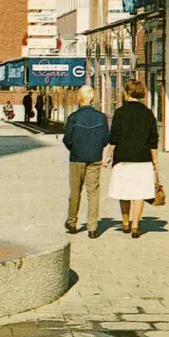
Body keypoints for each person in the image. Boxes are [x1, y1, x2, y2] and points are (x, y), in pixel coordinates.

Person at [102, 78, 159, 239]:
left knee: (123, 191)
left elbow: (115, 137)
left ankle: (125, 222)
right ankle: (136, 226)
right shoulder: (148, 113)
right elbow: (153, 139)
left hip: (123, 158)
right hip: (143, 158)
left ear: (127, 93)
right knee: (139, 193)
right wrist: (155, 161)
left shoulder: (120, 112)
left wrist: (108, 156)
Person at [63, 85, 109, 239]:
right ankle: (92, 227)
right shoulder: (101, 117)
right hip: (94, 157)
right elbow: (105, 139)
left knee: (75, 191)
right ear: (92, 99)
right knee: (93, 192)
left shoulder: (73, 117)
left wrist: (75, 148)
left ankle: (72, 222)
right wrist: (96, 149)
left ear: (78, 98)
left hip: (77, 157)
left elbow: (67, 139)